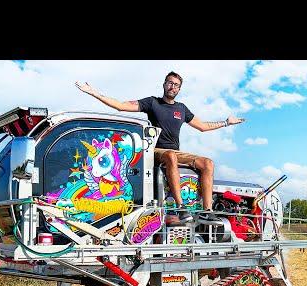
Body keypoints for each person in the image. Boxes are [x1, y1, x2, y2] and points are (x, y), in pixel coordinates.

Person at [75, 71, 245, 224]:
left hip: (175, 152)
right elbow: (121, 105)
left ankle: (207, 212)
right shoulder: (152, 103)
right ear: (164, 84)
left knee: (207, 162)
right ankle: (181, 206)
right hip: (155, 151)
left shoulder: (182, 109)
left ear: (179, 89)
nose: (173, 87)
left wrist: (225, 123)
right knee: (171, 155)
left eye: (176, 85)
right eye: (170, 83)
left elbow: (202, 126)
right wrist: (95, 93)